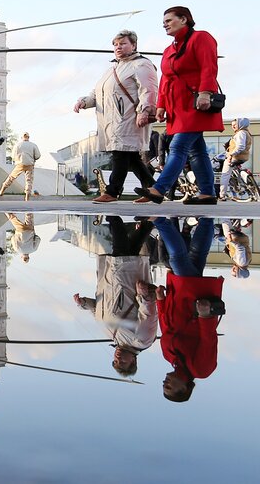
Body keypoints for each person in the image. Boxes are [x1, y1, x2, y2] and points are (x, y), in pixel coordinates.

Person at [135, 6, 222, 206]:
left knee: (178, 146)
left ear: (184, 19)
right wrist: (161, 106)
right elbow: (165, 79)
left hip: (195, 103)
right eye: (163, 21)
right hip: (177, 107)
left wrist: (206, 92)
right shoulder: (169, 49)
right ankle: (207, 193)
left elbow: (209, 66)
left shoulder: (201, 38)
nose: (164, 24)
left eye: (168, 20)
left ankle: (159, 189)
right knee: (197, 151)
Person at [141, 217, 223, 402]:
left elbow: (165, 327)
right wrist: (204, 316)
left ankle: (207, 219)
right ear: (184, 388)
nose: (165, 382)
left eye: (164, 384)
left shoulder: (168, 357)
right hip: (193, 304)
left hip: (177, 300)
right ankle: (161, 221)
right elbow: (208, 340)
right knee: (177, 259)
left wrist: (160, 301)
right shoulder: (201, 370)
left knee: (196, 256)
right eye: (169, 386)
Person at [74, 30, 159, 203]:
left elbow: (149, 89)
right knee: (131, 157)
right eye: (115, 44)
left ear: (134, 45)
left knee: (120, 154)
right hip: (111, 121)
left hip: (128, 118)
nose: (118, 47)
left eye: (123, 44)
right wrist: (84, 101)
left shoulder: (141, 64)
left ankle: (112, 191)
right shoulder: (112, 69)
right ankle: (153, 189)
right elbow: (97, 93)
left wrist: (144, 111)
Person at [72, 216, 157, 377]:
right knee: (120, 248)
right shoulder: (142, 341)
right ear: (133, 361)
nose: (117, 358)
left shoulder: (114, 338)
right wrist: (145, 296)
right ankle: (113, 215)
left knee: (130, 248)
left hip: (112, 283)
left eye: (115, 362)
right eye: (122, 362)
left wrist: (84, 304)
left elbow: (101, 312)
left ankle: (150, 221)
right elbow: (149, 316)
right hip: (127, 284)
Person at [0, 132, 41, 200]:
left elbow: (13, 156)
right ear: (28, 137)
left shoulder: (17, 145)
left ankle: (1, 191)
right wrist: (33, 159)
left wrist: (17, 160)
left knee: (11, 177)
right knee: (29, 181)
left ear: (21, 137)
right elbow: (38, 156)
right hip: (29, 164)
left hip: (20, 164)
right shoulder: (33, 145)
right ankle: (27, 196)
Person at [218, 118, 251, 200]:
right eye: (232, 125)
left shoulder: (241, 133)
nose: (233, 126)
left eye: (235, 124)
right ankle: (239, 188)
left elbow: (240, 147)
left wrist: (230, 154)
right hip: (243, 157)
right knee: (234, 174)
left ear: (241, 124)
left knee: (225, 175)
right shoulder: (246, 132)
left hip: (234, 157)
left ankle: (222, 195)